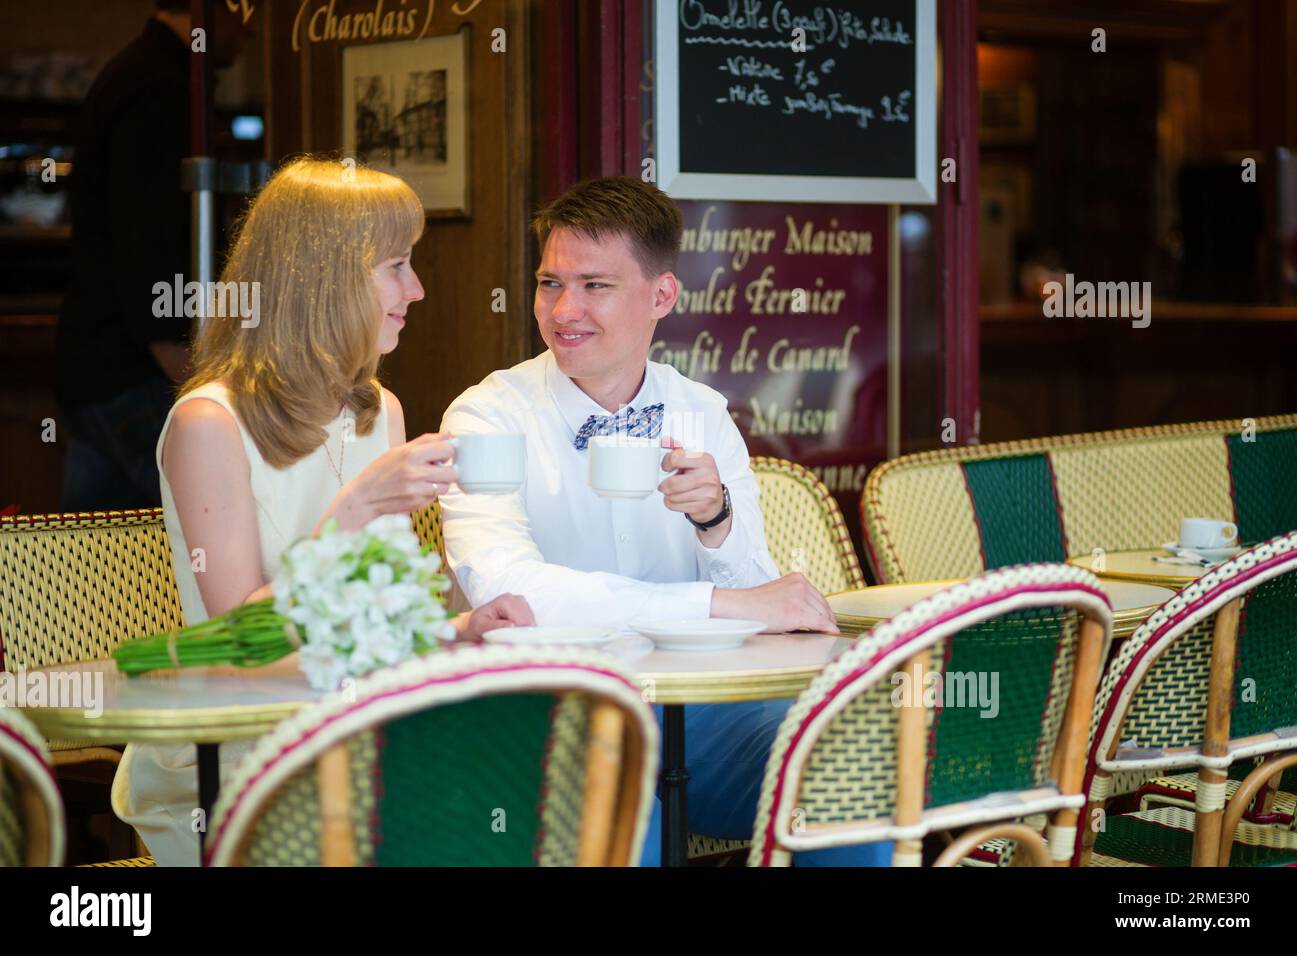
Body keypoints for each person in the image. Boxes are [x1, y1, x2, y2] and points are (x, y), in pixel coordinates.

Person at [439, 176, 889, 865]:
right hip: (552, 711)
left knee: (845, 781)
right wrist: (715, 603)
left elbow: (761, 599)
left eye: (594, 286)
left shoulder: (701, 412)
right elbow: (510, 595)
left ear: (662, 295)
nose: (563, 310)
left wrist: (716, 521)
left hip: (702, 713)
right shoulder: (487, 416)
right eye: (549, 282)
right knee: (621, 818)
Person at [111, 157, 534, 866]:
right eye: (397, 266)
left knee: (539, 783)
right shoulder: (209, 423)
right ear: (325, 275)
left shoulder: (378, 410)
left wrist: (459, 628)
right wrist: (356, 507)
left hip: (356, 721)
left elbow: (377, 617)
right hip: (242, 743)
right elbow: (243, 642)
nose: (417, 289)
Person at [56, 1, 248, 511]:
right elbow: (148, 246)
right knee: (205, 523)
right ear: (210, 12)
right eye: (243, 12)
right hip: (138, 373)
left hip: (100, 366)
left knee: (85, 563)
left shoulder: (140, 72)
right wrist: (196, 381)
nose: (248, 29)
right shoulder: (158, 87)